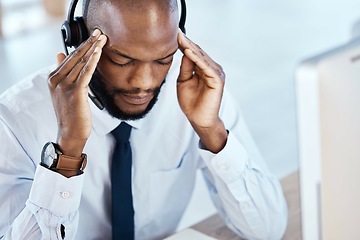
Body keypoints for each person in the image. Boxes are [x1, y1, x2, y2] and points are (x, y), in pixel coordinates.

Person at [0, 0, 287, 239]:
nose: (143, 83)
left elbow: (267, 230)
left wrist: (211, 131)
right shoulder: (15, 119)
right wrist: (69, 149)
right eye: (123, 61)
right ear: (78, 41)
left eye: (163, 60)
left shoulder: (196, 92)